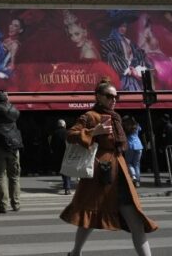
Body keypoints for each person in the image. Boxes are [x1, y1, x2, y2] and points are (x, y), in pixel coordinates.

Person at [60, 78, 158, 256]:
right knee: (88, 217)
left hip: (119, 173)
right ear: (98, 97)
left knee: (136, 222)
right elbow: (70, 135)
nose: (113, 99)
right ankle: (75, 253)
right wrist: (93, 132)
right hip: (100, 174)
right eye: (109, 96)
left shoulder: (115, 117)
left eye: (116, 96)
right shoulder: (90, 116)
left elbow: (121, 145)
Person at [100, 12, 147, 92]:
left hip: (134, 80)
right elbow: (110, 59)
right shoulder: (109, 43)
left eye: (124, 26)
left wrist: (136, 71)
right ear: (115, 27)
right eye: (120, 26)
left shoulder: (130, 43)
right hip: (119, 80)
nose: (122, 29)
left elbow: (140, 58)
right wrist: (128, 71)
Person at [50, 119, 73, 194]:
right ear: (64, 125)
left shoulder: (55, 133)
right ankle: (67, 187)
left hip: (58, 155)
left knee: (63, 170)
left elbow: (52, 145)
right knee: (67, 170)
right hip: (67, 153)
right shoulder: (68, 133)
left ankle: (66, 185)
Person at [123, 115, 144, 187]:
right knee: (137, 164)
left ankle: (133, 176)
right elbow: (140, 129)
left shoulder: (125, 128)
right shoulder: (136, 126)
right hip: (139, 146)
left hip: (130, 146)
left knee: (128, 162)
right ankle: (137, 181)